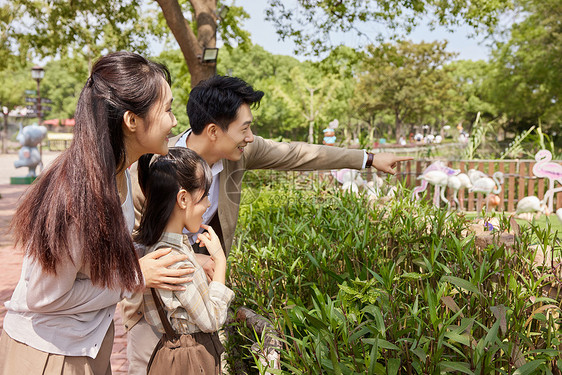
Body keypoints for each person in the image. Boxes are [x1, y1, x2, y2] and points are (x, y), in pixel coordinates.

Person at [122, 75, 413, 373]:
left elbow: (299, 154)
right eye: (245, 128)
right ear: (213, 131)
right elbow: (128, 242)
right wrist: (190, 257)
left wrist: (369, 158)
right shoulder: (154, 164)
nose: (250, 136)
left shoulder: (240, 154)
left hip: (205, 307)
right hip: (155, 311)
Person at [0, 51, 193, 375]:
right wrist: (135, 277)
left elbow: (104, 257)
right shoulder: (77, 195)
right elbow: (43, 298)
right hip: (50, 356)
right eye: (168, 109)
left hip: (89, 343)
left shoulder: (119, 172)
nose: (174, 122)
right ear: (132, 121)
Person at [135, 148, 234, 374]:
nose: (208, 203)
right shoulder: (173, 258)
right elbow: (213, 319)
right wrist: (220, 261)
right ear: (182, 198)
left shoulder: (158, 248)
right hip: (192, 361)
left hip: (172, 355)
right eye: (205, 195)